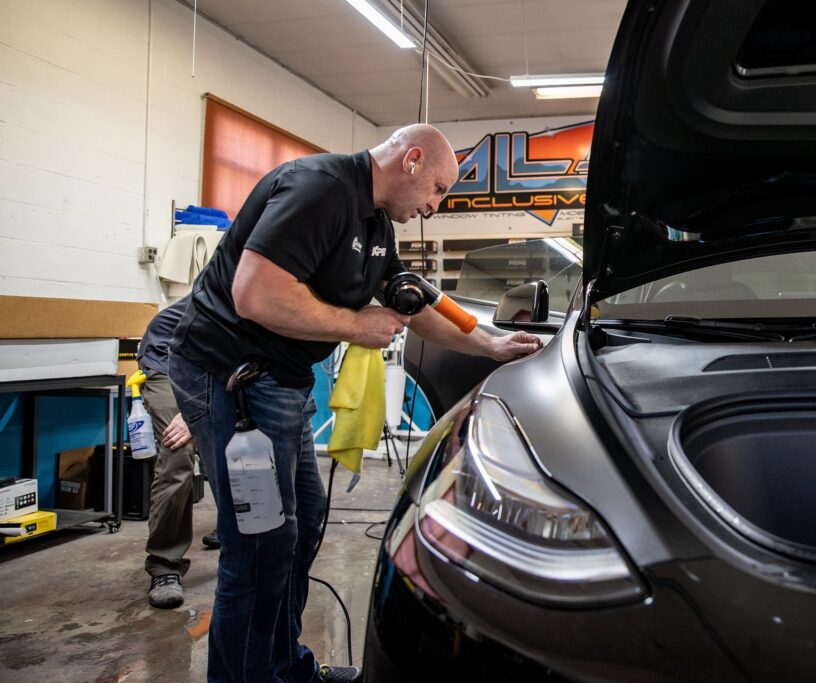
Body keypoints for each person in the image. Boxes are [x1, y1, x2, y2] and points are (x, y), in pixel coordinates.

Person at [168, 124, 542, 683]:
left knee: (301, 526)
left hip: (280, 381)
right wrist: (353, 325)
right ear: (412, 160)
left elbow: (413, 305)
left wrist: (490, 346)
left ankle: (283, 669)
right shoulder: (319, 188)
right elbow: (255, 293)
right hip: (229, 376)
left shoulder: (376, 223)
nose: (435, 206)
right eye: (438, 189)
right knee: (260, 545)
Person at [136, 294, 219, 609]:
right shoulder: (247, 283)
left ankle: (236, 532)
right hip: (169, 358)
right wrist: (190, 412)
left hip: (214, 363)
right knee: (179, 448)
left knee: (241, 443)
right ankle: (164, 565)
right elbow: (217, 346)